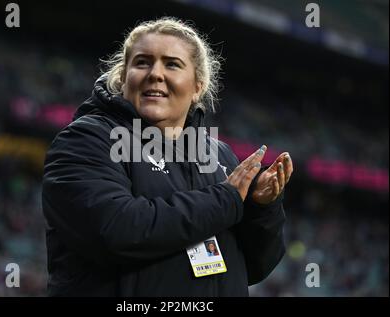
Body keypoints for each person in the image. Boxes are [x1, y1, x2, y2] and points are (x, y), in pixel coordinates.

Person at [42, 17, 293, 296]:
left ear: (198, 85)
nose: (155, 74)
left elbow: (255, 266)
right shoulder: (86, 139)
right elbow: (115, 230)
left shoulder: (219, 155)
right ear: (124, 78)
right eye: (142, 62)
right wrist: (225, 199)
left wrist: (261, 208)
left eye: (172, 64)